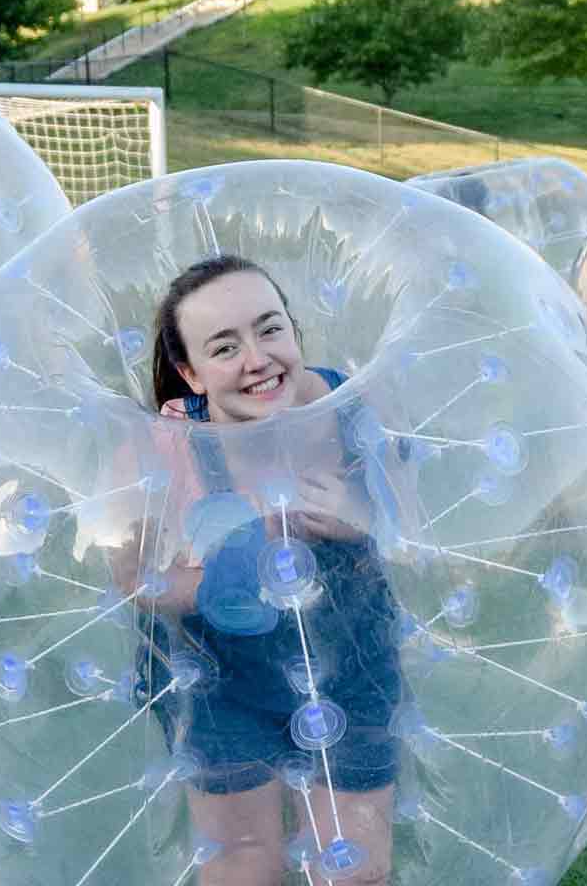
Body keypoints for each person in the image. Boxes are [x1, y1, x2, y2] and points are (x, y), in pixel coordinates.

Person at [134, 255, 404, 883]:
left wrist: (360, 523)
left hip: (351, 660)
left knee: (353, 870)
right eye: (224, 347)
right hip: (221, 675)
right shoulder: (169, 446)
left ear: (295, 331)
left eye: (270, 329)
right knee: (243, 865)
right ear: (189, 373)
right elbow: (135, 580)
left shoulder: (354, 410)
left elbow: (423, 538)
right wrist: (233, 571)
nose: (257, 359)